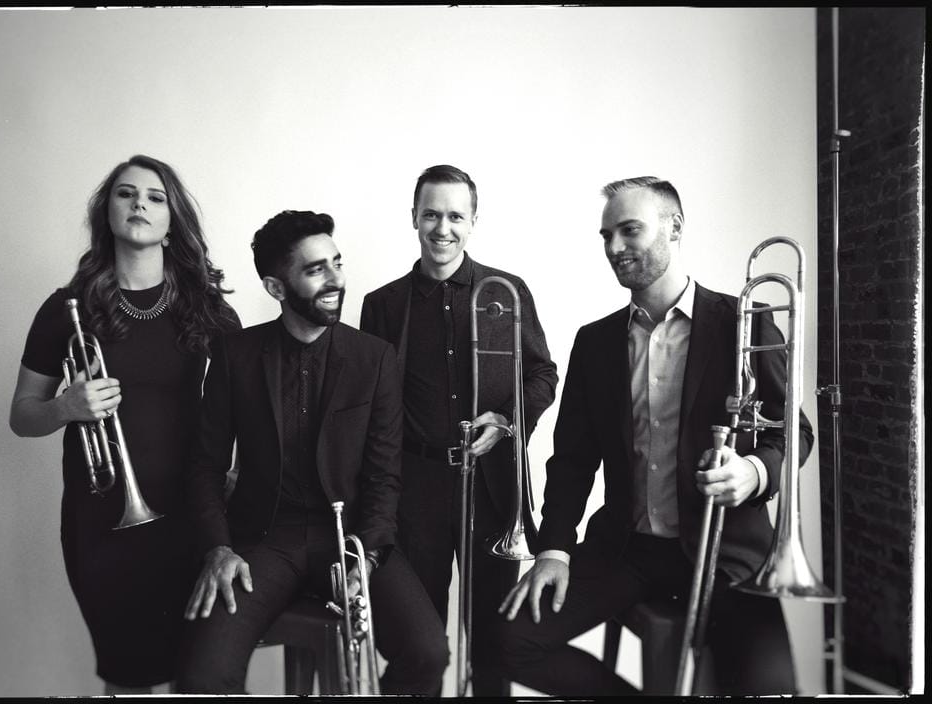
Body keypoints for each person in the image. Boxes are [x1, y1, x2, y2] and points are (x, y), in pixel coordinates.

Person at [496, 177, 814, 695]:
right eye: (606, 235)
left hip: (724, 548)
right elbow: (573, 459)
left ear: (675, 227)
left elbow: (794, 431)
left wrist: (752, 473)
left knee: (772, 687)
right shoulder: (595, 342)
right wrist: (554, 549)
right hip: (629, 549)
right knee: (511, 640)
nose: (615, 248)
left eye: (629, 230)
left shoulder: (744, 322)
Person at [176, 209, 448, 695]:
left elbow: (385, 474)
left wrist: (365, 561)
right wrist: (218, 548)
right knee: (203, 677)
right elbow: (204, 466)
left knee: (429, 653)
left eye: (336, 263)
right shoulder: (234, 355)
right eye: (315, 269)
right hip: (263, 540)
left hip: (352, 541)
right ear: (276, 288)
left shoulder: (374, 357)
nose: (335, 279)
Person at [9, 154, 241, 694]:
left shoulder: (205, 309)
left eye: (156, 197)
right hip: (102, 522)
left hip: (193, 516)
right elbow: (22, 414)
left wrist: (239, 475)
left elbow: (252, 408)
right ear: (106, 211)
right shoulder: (66, 309)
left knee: (197, 675)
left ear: (172, 220)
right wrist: (66, 407)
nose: (139, 203)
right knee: (130, 676)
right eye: (125, 193)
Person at [360, 165, 558, 696]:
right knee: (416, 644)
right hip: (414, 488)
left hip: (491, 487)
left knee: (494, 643)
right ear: (413, 219)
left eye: (454, 216)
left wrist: (510, 419)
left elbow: (542, 375)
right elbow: (369, 406)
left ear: (473, 221)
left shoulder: (506, 292)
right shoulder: (382, 305)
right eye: (431, 214)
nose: (442, 228)